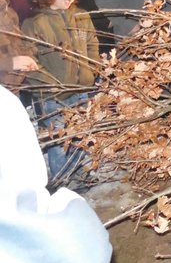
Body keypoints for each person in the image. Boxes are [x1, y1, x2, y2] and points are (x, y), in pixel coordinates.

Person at [0, 84, 112, 263]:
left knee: (77, 134)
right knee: (61, 138)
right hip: (52, 91)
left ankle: (78, 172)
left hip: (75, 85)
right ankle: (66, 177)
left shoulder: (4, 103)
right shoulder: (4, 105)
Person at [22, 0, 99, 183]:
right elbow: (30, 60)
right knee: (59, 140)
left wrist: (92, 71)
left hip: (82, 88)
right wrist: (51, 85)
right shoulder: (35, 23)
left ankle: (83, 175)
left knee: (82, 135)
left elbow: (92, 44)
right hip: (52, 95)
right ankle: (64, 182)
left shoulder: (81, 16)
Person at [0, 0, 38, 87]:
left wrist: (28, 56)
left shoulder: (10, 14)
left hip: (13, 89)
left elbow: (20, 44)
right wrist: (11, 63)